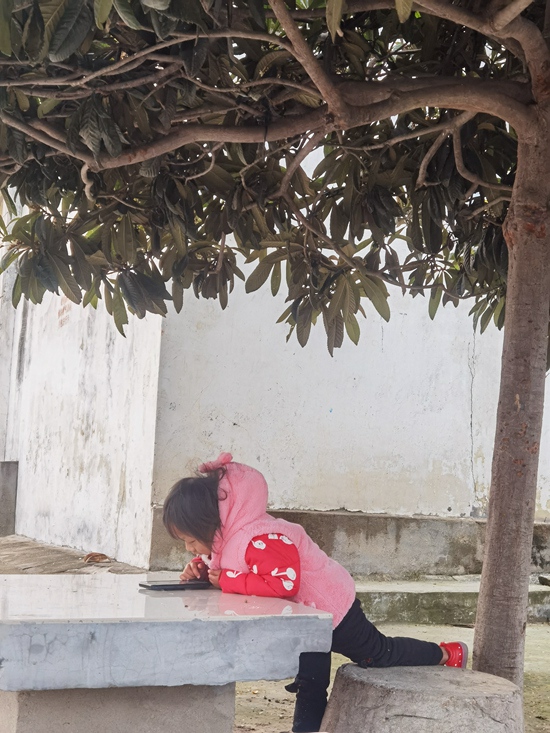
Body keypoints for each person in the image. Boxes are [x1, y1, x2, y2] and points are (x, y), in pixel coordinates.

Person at [163, 453, 468, 733]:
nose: (189, 548)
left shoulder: (261, 538)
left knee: (377, 653)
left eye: (191, 541)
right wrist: (201, 571)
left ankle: (446, 653)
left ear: (212, 523)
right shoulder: (229, 539)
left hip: (332, 610)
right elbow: (229, 566)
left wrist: (227, 580)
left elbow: (284, 584)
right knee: (310, 682)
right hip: (307, 620)